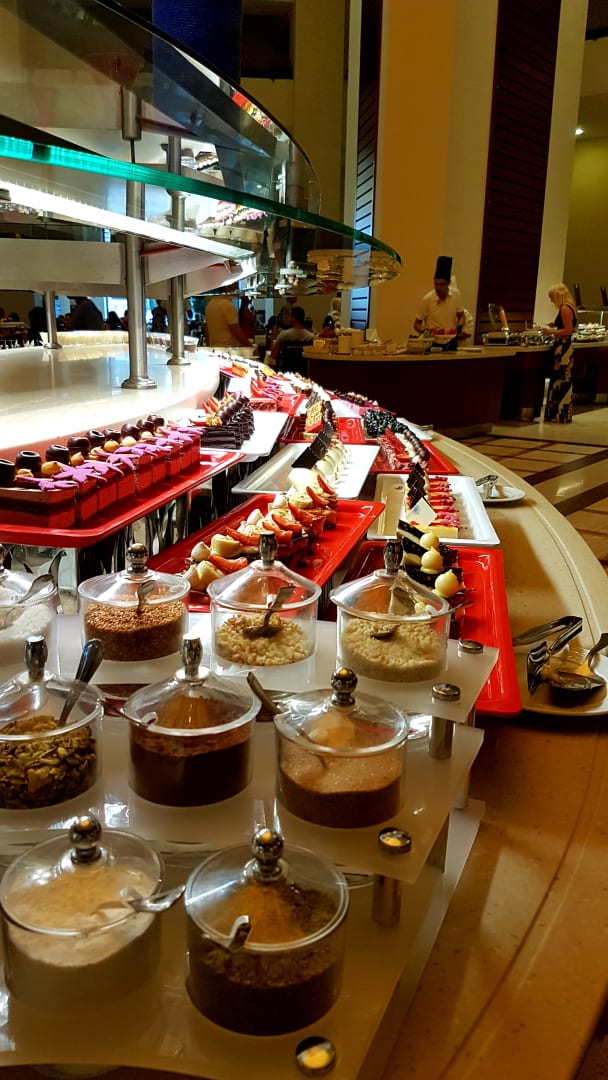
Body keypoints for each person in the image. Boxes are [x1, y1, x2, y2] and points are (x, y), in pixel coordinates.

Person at [542, 283, 577, 424]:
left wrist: (550, 331)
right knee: (564, 378)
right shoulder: (571, 307)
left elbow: (568, 330)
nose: (551, 300)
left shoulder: (564, 308)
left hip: (562, 346)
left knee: (559, 379)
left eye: (552, 297)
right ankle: (562, 413)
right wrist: (554, 325)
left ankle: (556, 413)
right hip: (566, 346)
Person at [413, 256, 465, 335]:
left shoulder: (456, 295)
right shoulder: (427, 299)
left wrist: (459, 325)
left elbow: (462, 316)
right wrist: (425, 332)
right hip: (433, 340)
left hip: (451, 339)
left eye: (442, 284)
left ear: (448, 283)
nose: (438, 288)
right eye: (436, 284)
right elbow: (416, 324)